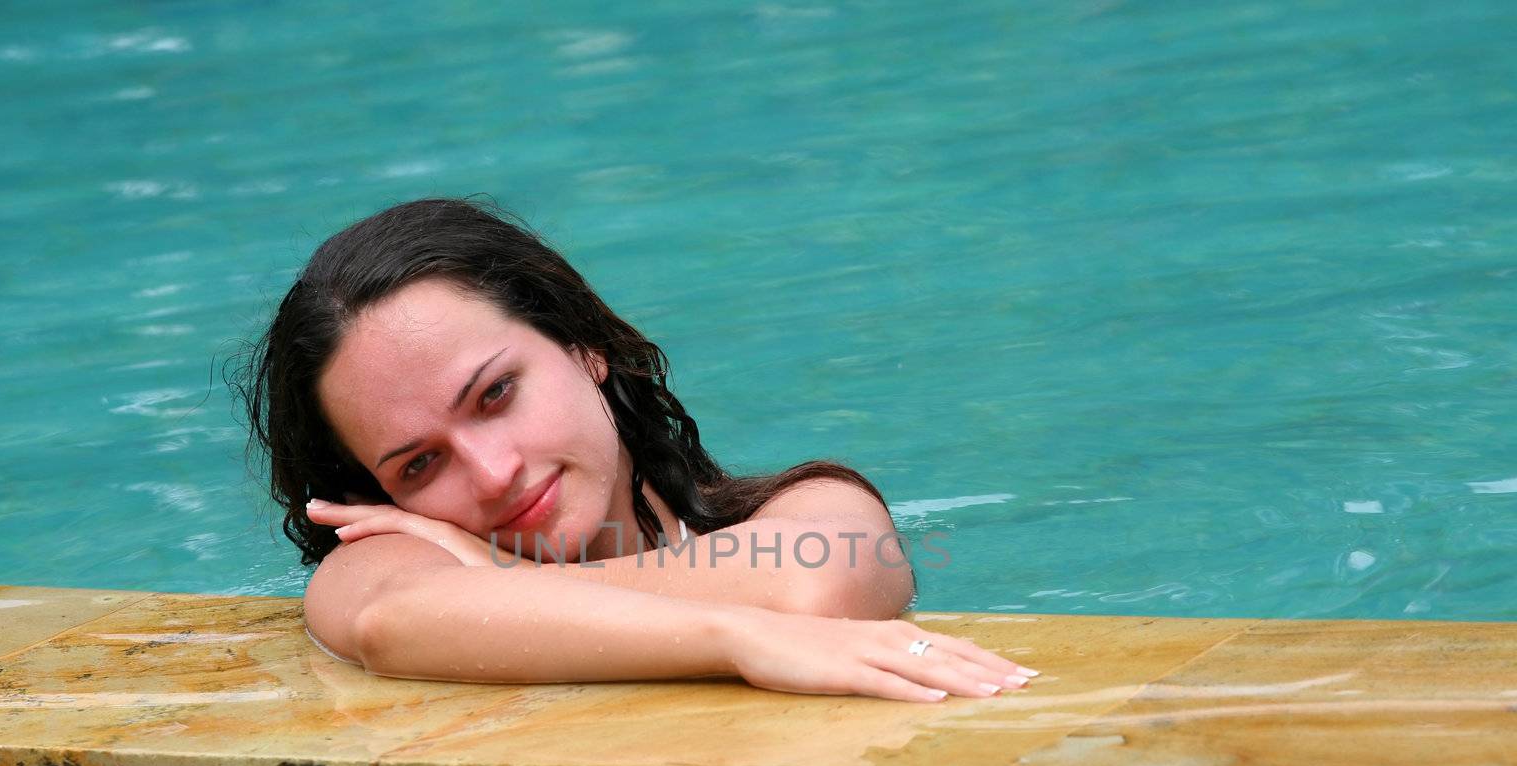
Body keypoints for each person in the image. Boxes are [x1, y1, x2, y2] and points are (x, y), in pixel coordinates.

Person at [235, 197, 1036, 701]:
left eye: (496, 394)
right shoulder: (387, 562)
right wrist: (732, 633)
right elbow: (392, 623)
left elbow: (808, 589)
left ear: (584, 346)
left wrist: (501, 576)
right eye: (419, 464)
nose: (493, 471)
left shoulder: (805, 509)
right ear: (378, 494)